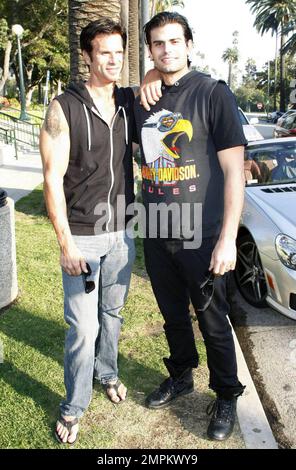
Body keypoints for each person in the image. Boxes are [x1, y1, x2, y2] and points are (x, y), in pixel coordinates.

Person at [40, 18, 159, 445]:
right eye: (103, 52)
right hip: (83, 237)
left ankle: (107, 372)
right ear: (86, 56)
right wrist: (66, 243)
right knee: (83, 328)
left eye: (118, 52)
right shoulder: (63, 107)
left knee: (112, 315)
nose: (112, 60)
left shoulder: (129, 100)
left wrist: (146, 74)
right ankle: (74, 406)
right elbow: (51, 179)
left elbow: (160, 75)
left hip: (122, 233)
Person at [134, 11, 247, 441]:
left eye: (174, 41)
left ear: (189, 44)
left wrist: (228, 240)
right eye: (158, 44)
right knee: (171, 316)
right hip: (157, 228)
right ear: (150, 50)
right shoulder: (143, 96)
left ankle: (226, 394)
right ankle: (181, 374)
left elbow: (234, 172)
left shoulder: (213, 94)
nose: (166, 50)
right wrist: (148, 75)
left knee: (213, 319)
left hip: (203, 234)